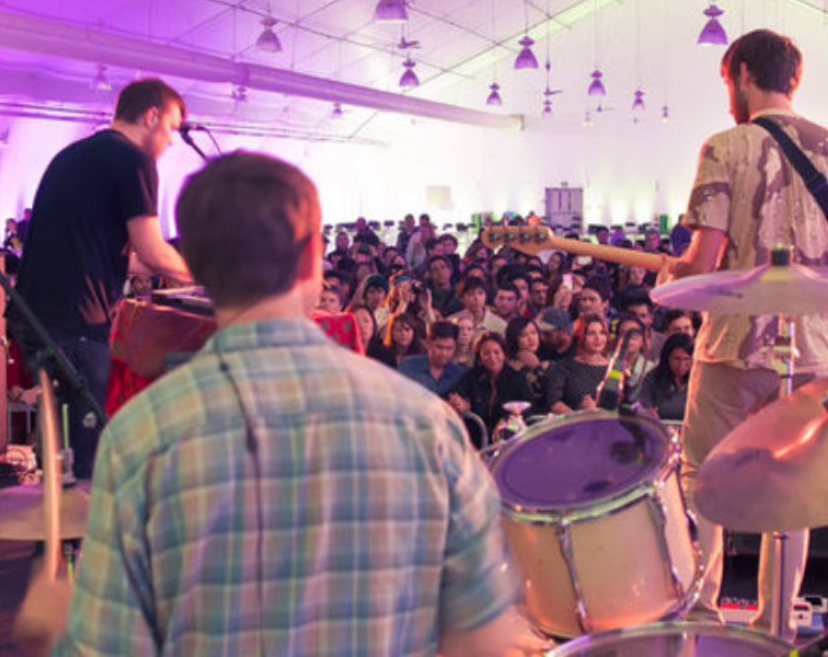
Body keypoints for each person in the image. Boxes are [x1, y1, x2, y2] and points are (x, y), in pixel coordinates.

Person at [56, 153, 531, 656]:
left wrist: (60, 629)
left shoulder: (139, 439)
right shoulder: (426, 427)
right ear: (311, 260)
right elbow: (484, 640)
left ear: (193, 270)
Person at [661, 29, 828, 638]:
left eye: (729, 82)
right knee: (793, 488)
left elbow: (703, 261)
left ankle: (703, 613)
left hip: (732, 346)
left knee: (704, 477)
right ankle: (776, 624)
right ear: (794, 80)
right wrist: (821, 261)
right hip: (812, 351)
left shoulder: (725, 146)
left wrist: (674, 271)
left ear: (742, 73)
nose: (729, 95)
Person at [11, 79, 193, 480]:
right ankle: (83, 539)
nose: (170, 142)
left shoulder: (76, 154)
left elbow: (117, 258)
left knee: (59, 451)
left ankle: (55, 539)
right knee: (88, 458)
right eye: (171, 129)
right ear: (152, 116)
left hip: (37, 319)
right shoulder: (133, 160)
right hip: (76, 325)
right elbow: (150, 248)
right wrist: (206, 279)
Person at [397, 320, 468, 395]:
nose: (444, 353)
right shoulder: (409, 365)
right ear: (428, 343)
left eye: (449, 348)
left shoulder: (460, 374)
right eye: (439, 347)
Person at [635, 333, 695, 420]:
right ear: (667, 358)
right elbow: (644, 406)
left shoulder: (699, 380)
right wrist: (648, 413)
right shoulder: (652, 378)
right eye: (676, 359)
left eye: (687, 359)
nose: (681, 365)